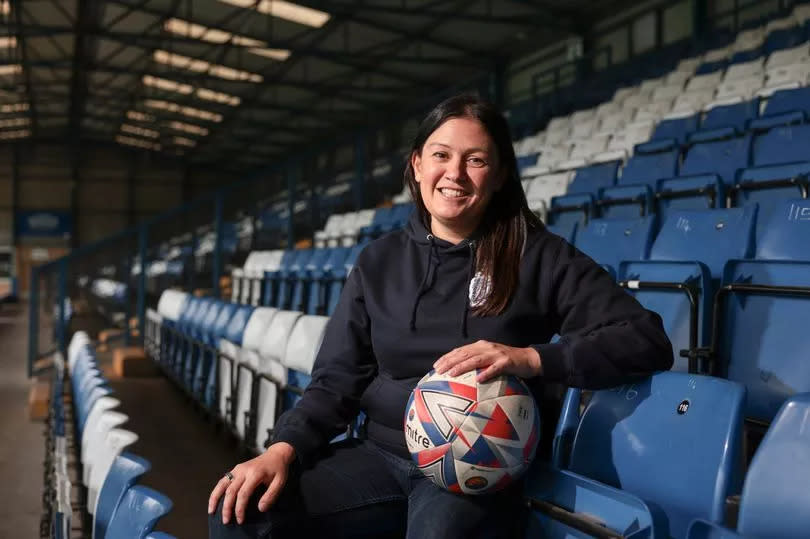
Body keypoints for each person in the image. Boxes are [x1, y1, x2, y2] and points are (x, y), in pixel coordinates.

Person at [208, 94, 673, 538]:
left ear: (499, 174)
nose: (455, 173)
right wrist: (281, 450)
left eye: (476, 160)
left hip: (479, 471)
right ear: (417, 164)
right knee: (241, 513)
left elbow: (646, 338)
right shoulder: (379, 261)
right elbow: (336, 378)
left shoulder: (539, 256)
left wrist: (530, 359)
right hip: (380, 455)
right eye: (441, 155)